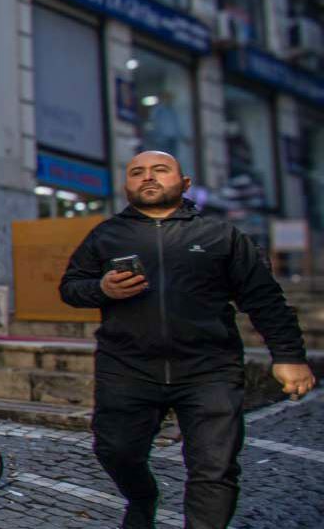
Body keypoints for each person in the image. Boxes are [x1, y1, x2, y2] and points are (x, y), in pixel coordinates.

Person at [60, 151, 314, 529]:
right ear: (127, 185)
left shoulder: (221, 236)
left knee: (215, 468)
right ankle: (142, 498)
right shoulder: (106, 235)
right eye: (137, 172)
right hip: (127, 367)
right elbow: (70, 288)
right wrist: (102, 288)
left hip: (210, 369)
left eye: (160, 170)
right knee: (117, 451)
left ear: (185, 183)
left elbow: (264, 299)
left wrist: (289, 354)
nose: (148, 177)